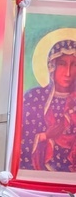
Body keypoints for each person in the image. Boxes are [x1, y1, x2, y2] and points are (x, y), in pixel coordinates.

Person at [21, 39, 76, 172]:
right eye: (62, 64)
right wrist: (45, 136)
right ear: (52, 66)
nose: (68, 72)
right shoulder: (34, 98)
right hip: (38, 174)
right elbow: (21, 141)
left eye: (74, 65)